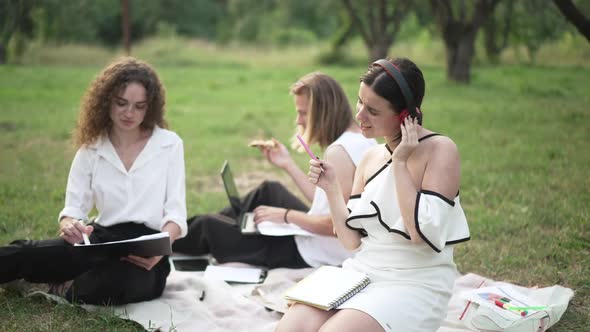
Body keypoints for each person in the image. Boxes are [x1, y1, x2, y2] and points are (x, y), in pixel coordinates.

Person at [276, 58, 471, 332]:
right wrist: (331, 189)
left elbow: (420, 235)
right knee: (288, 329)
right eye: (359, 102)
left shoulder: (440, 150)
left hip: (413, 282)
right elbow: (351, 241)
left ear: (404, 116)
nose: (359, 116)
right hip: (362, 271)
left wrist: (401, 163)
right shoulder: (370, 157)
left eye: (373, 111)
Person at [0, 57, 187, 305]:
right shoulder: (92, 149)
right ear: (106, 100)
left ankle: (57, 284)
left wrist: (160, 250)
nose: (129, 113)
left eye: (139, 106)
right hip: (99, 241)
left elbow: (175, 213)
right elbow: (73, 210)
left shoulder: (169, 144)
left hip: (145, 253)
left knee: (110, 283)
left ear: (149, 107)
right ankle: (50, 276)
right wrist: (69, 225)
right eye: (121, 103)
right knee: (27, 252)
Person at [173, 72, 376, 269]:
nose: (298, 120)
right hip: (319, 241)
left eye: (303, 113)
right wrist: (287, 163)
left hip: (310, 253)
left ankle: (160, 245)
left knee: (208, 226)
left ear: (322, 112)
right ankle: (235, 228)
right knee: (269, 190)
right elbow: (327, 201)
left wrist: (287, 216)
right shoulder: (360, 140)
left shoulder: (339, 152)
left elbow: (337, 225)